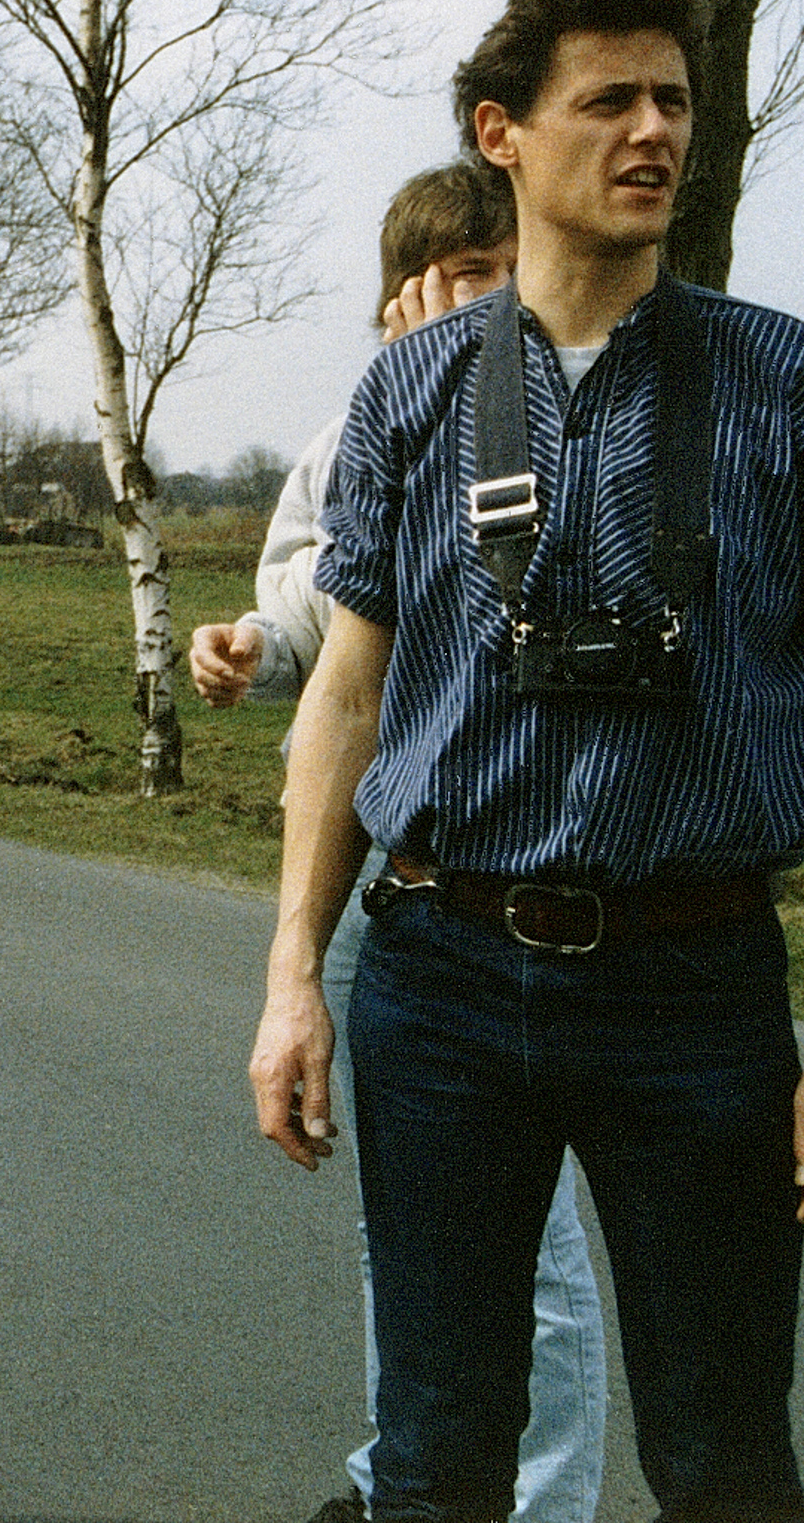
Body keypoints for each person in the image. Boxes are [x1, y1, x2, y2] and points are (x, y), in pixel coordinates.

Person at [249, 0, 804, 1523]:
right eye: (606, 99)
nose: (651, 132)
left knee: (721, 1460)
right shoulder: (408, 395)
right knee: (433, 1460)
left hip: (692, 985)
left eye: (671, 101)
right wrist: (291, 977)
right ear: (500, 133)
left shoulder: (791, 384)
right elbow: (342, 700)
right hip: (438, 976)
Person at [189, 164, 606, 1523]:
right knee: (414, 1222)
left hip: (516, 865)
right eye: (461, 279)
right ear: (399, 300)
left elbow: (509, 602)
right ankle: (400, 1479)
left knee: (530, 1246)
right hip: (384, 866)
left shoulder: (581, 427)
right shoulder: (351, 437)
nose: (488, 299)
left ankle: (541, 1500)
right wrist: (247, 648)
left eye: (503, 272)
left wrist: (465, 397)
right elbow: (325, 627)